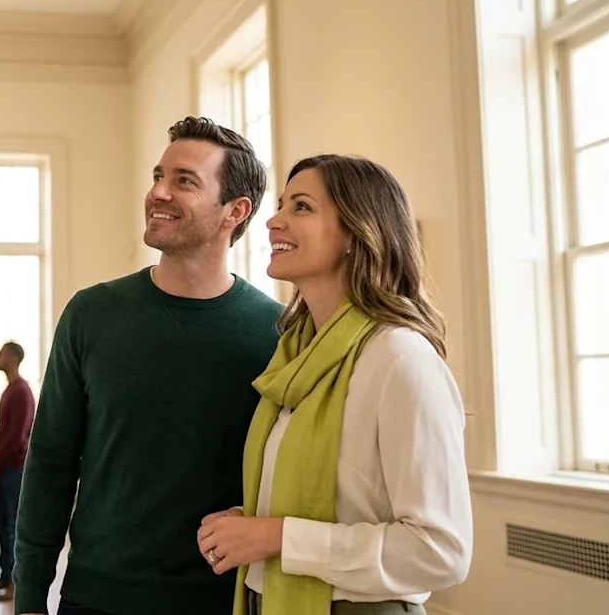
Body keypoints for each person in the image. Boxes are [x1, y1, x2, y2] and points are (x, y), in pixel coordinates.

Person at [12, 117, 283, 615]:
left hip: (225, 601)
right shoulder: (91, 314)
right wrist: (29, 596)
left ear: (235, 211)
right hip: (97, 597)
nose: (158, 191)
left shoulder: (277, 332)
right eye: (159, 175)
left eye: (184, 180)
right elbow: (50, 462)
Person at [195, 155, 473, 615]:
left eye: (301, 207)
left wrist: (278, 536)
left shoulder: (400, 359)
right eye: (281, 205)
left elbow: (440, 552)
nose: (274, 221)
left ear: (356, 232)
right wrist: (253, 527)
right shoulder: (293, 358)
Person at [0, 341, 36, 602]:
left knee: (12, 525)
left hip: (14, 467)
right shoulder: (9, 390)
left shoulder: (22, 391)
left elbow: (17, 436)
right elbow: (2, 431)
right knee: (1, 522)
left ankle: (16, 583)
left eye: (1, 354)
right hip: (5, 467)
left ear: (13, 358)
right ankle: (5, 576)